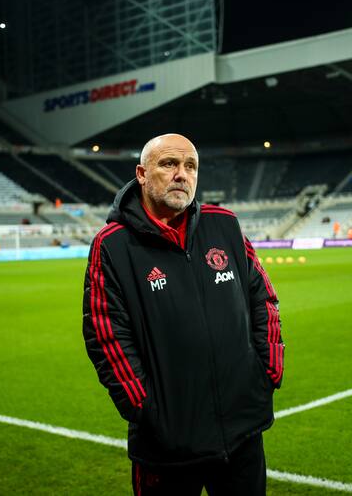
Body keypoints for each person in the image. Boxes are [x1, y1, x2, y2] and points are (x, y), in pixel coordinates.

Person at [82, 133, 283, 495]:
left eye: (190, 166)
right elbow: (105, 333)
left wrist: (268, 368)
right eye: (169, 164)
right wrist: (147, 409)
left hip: (242, 431)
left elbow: (263, 298)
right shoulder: (112, 244)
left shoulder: (225, 225)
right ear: (142, 174)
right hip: (168, 442)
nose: (182, 174)